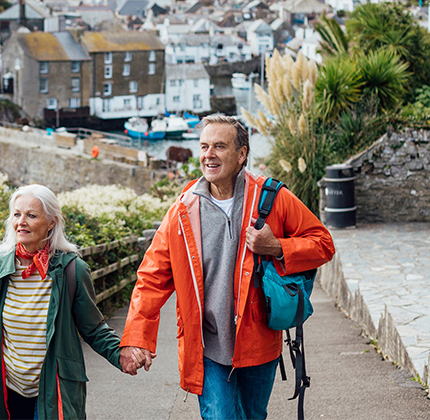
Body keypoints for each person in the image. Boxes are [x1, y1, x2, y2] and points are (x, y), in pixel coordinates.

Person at [118, 114, 335, 420]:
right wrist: (136, 339)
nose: (209, 154)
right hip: (206, 345)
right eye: (205, 146)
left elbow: (323, 243)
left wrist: (276, 247)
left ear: (241, 153)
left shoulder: (272, 198)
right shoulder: (183, 210)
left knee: (252, 416)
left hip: (259, 339)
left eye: (220, 146)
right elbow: (152, 277)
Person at [0, 184, 144, 419]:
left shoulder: (71, 270)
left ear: (51, 222)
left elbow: (93, 328)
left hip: (54, 391)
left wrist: (121, 354)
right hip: (6, 390)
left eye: (31, 215)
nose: (21, 221)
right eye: (17, 214)